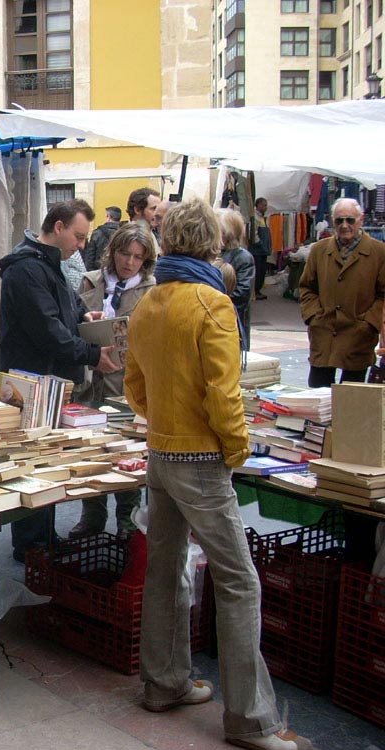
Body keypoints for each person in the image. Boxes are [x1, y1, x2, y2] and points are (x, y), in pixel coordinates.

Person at [125, 198, 312, 750]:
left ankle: (163, 683)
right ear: (212, 245)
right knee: (239, 581)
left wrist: (163, 419)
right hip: (200, 458)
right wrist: (237, 450)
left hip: (162, 450)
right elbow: (225, 394)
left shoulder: (148, 302)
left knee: (165, 570)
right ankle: (251, 720)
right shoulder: (212, 304)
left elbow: (134, 387)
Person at [0, 198, 120, 562]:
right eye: (79, 236)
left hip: (48, 383)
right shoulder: (26, 269)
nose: (81, 245)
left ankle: (42, 538)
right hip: (31, 384)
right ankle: (32, 545)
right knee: (33, 465)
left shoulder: (47, 264)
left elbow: (63, 306)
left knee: (47, 463)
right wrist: (92, 355)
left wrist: (85, 313)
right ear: (59, 227)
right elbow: (47, 329)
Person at [69, 222, 157, 539]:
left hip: (126, 381)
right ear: (113, 251)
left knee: (126, 452)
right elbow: (74, 324)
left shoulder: (150, 289)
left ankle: (127, 522)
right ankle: (91, 516)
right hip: (89, 380)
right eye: (125, 253)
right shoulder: (90, 280)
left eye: (137, 257)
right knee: (91, 452)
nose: (129, 262)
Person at [299, 197, 385, 388]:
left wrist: (369, 323)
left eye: (350, 220)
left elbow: (383, 294)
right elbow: (306, 287)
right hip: (324, 333)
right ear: (332, 221)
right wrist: (314, 316)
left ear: (360, 220)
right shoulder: (319, 250)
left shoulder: (379, 253)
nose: (344, 226)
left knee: (352, 401)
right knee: (318, 397)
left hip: (358, 336)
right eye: (339, 220)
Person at [217, 208, 256, 351]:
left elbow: (242, 294)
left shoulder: (242, 258)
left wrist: (215, 304)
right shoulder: (211, 253)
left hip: (232, 322)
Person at [81, 205, 121, 271]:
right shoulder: (124, 234)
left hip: (98, 272)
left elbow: (89, 258)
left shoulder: (97, 233)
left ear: (108, 217)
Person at [250, 198, 272, 300]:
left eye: (266, 205)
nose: (265, 207)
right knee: (258, 271)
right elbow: (253, 233)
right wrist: (260, 244)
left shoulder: (263, 218)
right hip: (257, 250)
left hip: (262, 250)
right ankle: (255, 291)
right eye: (264, 205)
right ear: (258, 205)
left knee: (262, 271)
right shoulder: (255, 217)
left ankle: (258, 290)